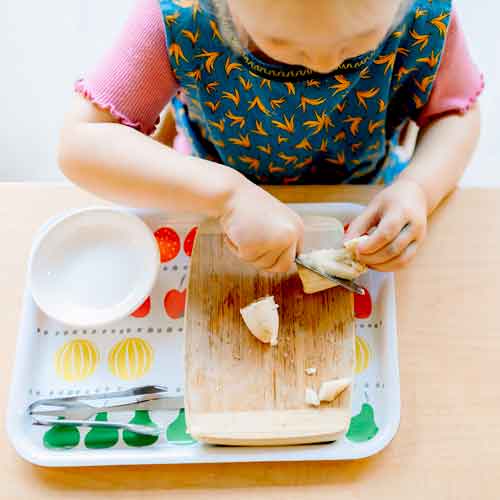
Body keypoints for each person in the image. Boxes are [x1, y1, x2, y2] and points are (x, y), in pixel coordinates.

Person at [59, 0, 483, 273]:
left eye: (359, 41)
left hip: (362, 203)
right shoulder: (181, 16)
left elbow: (455, 113)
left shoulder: (423, 15)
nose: (322, 64)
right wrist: (226, 196)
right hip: (208, 204)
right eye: (284, 42)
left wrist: (417, 189)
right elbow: (80, 143)